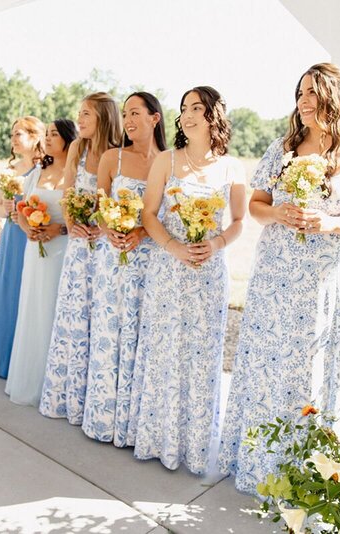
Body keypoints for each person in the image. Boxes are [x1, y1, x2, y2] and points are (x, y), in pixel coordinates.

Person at [217, 63, 340, 495]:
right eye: (300, 93)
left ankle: (317, 468)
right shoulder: (284, 148)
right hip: (277, 280)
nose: (304, 101)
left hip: (331, 282)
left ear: (335, 96)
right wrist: (277, 213)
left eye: (313, 92)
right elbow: (257, 205)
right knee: (272, 364)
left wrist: (331, 224)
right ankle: (263, 462)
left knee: (317, 367)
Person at [131, 86, 246, 474]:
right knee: (165, 353)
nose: (188, 115)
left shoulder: (232, 168)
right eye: (184, 109)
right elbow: (149, 214)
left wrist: (214, 243)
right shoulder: (167, 160)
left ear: (215, 115)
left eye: (197, 107)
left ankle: (196, 448)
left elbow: (239, 222)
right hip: (169, 268)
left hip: (210, 274)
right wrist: (173, 247)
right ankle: (157, 440)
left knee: (202, 357)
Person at [81, 92, 166, 446]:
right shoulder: (111, 158)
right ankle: (104, 420)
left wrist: (142, 230)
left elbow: (166, 215)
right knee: (110, 332)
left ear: (155, 119)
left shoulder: (169, 162)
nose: (128, 121)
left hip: (152, 261)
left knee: (143, 337)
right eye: (126, 114)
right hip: (112, 259)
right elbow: (100, 206)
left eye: (136, 113)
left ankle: (138, 426)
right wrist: (111, 228)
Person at [39, 93, 122, 422]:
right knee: (75, 316)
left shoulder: (118, 149)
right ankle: (70, 398)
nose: (80, 119)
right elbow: (68, 193)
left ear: (102, 116)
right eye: (79, 113)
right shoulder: (78, 148)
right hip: (79, 245)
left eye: (86, 114)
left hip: (107, 244)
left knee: (101, 317)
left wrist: (103, 228)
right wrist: (74, 226)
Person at [5, 119, 77, 405]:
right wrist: (28, 228)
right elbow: (22, 208)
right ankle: (31, 380)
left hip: (64, 248)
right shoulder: (38, 171)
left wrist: (57, 229)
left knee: (56, 309)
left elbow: (81, 217)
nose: (47, 138)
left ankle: (58, 386)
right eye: (46, 133)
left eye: (54, 134)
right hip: (36, 250)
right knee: (34, 308)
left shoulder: (77, 173)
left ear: (68, 140)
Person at [0, 117, 46, 378]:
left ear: (35, 136)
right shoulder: (9, 171)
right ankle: (5, 359)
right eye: (12, 134)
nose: (13, 139)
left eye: (18, 134)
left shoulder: (45, 167)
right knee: (10, 289)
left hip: (34, 233)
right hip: (12, 235)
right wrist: (7, 209)